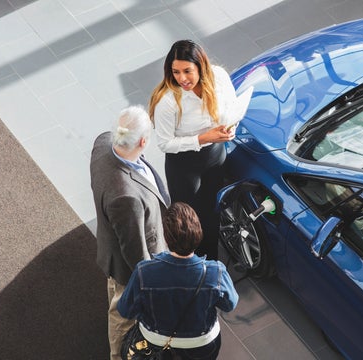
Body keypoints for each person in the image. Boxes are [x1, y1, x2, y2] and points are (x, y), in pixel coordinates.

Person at [90, 105, 171, 360]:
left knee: (114, 295)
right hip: (126, 266)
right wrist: (151, 282)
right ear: (144, 141)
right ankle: (117, 354)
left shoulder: (103, 143)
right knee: (122, 313)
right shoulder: (126, 197)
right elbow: (134, 251)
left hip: (110, 242)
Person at [149, 39, 238, 260]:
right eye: (176, 72)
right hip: (184, 165)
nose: (182, 78)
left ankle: (212, 259)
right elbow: (164, 143)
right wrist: (202, 138)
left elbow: (232, 106)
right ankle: (190, 262)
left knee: (212, 212)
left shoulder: (218, 77)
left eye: (187, 71)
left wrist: (232, 126)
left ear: (201, 66)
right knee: (187, 221)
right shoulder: (168, 101)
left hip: (215, 155)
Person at [118, 202, 239, 360]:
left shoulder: (144, 272)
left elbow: (125, 310)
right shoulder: (216, 272)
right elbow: (230, 304)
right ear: (198, 233)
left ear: (167, 238)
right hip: (202, 344)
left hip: (154, 343)